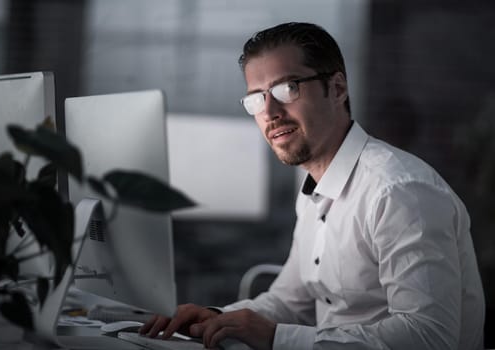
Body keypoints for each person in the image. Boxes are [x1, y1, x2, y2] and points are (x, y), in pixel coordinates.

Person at [140, 22, 485, 350]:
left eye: (286, 89)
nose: (270, 112)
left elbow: (429, 337)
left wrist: (277, 339)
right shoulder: (315, 190)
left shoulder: (397, 191)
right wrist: (218, 318)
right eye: (257, 98)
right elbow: (293, 300)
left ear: (337, 89)